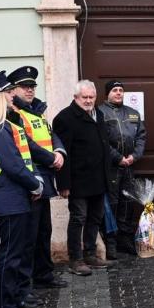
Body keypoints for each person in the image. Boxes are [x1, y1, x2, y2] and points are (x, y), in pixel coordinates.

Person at [0, 71, 46, 308]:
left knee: (16, 251)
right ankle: (5, 307)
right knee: (9, 254)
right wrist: (35, 185)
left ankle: (15, 298)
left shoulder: (7, 124)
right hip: (8, 194)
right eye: (7, 93)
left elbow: (21, 160)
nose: (12, 96)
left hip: (14, 193)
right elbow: (12, 165)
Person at [7, 66, 68, 290]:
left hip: (44, 178)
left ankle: (44, 275)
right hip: (30, 180)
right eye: (25, 87)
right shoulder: (13, 112)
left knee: (44, 231)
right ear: (13, 90)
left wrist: (60, 152)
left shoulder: (36, 111)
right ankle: (26, 283)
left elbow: (52, 135)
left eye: (32, 86)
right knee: (29, 236)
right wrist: (51, 158)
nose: (30, 90)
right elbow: (26, 145)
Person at [54, 80, 113, 275]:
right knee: (79, 218)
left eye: (91, 97)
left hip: (98, 179)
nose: (88, 101)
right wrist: (63, 183)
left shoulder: (99, 114)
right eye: (84, 97)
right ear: (75, 98)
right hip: (78, 181)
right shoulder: (65, 118)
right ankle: (75, 259)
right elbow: (62, 152)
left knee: (95, 218)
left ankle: (90, 254)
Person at [99, 79, 146, 259]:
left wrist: (134, 156)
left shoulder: (133, 113)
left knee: (127, 202)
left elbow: (141, 137)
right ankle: (110, 241)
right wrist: (118, 158)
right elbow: (101, 141)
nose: (118, 93)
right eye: (114, 90)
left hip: (129, 166)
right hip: (110, 166)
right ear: (107, 94)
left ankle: (125, 238)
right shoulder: (100, 113)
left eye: (120, 90)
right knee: (111, 203)